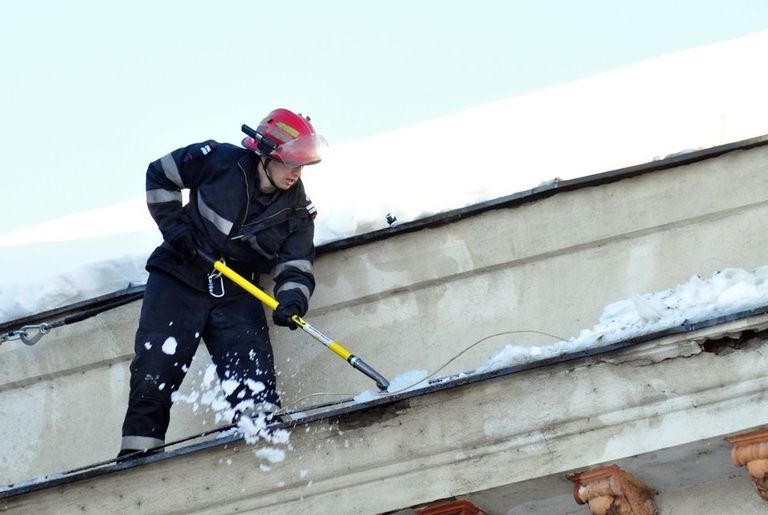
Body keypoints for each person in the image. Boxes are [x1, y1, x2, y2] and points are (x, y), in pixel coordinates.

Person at [119, 108, 327, 457]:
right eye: (289, 162)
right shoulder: (218, 161)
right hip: (179, 275)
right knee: (155, 369)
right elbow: (160, 174)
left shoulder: (298, 214)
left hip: (235, 288)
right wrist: (176, 231)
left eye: (301, 165)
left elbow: (296, 264)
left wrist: (292, 300)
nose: (296, 172)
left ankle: (262, 445)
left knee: (252, 369)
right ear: (264, 154)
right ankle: (137, 455)